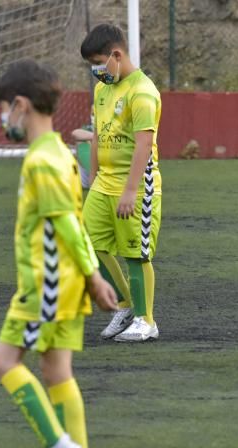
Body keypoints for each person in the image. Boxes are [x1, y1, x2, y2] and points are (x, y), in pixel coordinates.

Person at [0, 60, 118, 448]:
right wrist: (90, 278)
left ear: (21, 106)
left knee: (3, 362)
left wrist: (94, 275)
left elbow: (64, 223)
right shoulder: (62, 154)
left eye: (4, 109)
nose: (3, 118)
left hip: (44, 288)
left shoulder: (41, 161)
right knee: (58, 373)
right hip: (65, 285)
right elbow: (74, 222)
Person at [80, 23, 163, 342]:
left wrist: (130, 191)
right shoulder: (103, 90)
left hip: (137, 186)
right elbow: (99, 135)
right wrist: (94, 177)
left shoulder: (142, 92)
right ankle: (126, 305)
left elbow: (144, 145)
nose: (96, 71)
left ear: (116, 55)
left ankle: (146, 320)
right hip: (104, 184)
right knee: (86, 243)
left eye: (97, 63)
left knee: (136, 254)